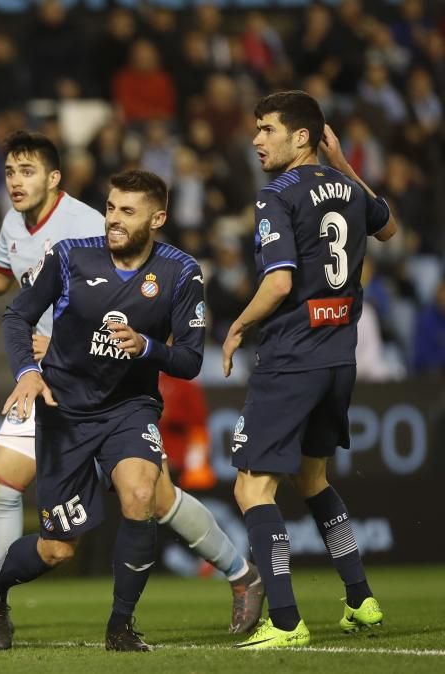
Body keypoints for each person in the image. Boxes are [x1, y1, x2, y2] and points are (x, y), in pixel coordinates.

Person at [0, 131, 262, 640]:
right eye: (8, 171)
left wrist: (90, 341)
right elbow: (3, 279)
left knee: (151, 499)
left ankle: (236, 574)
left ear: (54, 178)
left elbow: (121, 293)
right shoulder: (15, 223)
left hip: (112, 386)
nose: (14, 181)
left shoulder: (90, 228)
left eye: (26, 171)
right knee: (1, 483)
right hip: (54, 387)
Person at [0, 170, 207, 652]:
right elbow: (16, 315)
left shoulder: (182, 273)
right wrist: (26, 373)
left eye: (128, 211)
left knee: (141, 494)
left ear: (158, 218)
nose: (114, 220)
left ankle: (121, 626)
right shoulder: (71, 255)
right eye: (111, 208)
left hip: (129, 408)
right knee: (58, 549)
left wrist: (146, 348)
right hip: (65, 411)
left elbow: (190, 360)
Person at [223, 91, 397, 649]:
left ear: (302, 137)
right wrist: (344, 165)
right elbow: (388, 228)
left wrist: (238, 326)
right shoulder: (348, 188)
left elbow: (277, 283)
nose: (256, 139)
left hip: (292, 357)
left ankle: (286, 619)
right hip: (339, 357)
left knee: (252, 489)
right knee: (314, 480)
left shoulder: (276, 194)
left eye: (267, 129)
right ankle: (360, 598)